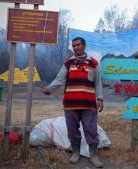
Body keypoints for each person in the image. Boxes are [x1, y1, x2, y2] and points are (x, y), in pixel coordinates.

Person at [42, 37, 104, 168]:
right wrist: (50, 89)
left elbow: (98, 83)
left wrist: (100, 99)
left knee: (91, 129)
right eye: (74, 46)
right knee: (72, 130)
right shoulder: (68, 63)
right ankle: (75, 152)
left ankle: (94, 155)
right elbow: (59, 79)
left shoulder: (93, 63)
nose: (76, 47)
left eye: (78, 45)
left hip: (89, 105)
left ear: (84, 45)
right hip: (70, 104)